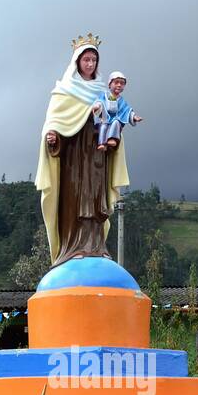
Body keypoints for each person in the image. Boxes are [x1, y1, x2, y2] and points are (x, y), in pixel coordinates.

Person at [36, 34, 132, 265]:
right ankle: (72, 247)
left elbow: (115, 116)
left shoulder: (103, 90)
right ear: (77, 61)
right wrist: (52, 137)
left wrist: (115, 133)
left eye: (93, 60)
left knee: (95, 200)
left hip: (96, 156)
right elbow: (54, 122)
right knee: (74, 200)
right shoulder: (64, 91)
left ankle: (96, 247)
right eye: (86, 60)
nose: (90, 64)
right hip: (73, 160)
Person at [92, 71, 141, 150]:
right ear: (110, 84)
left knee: (116, 122)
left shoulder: (121, 101)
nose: (119, 85)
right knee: (103, 126)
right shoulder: (105, 95)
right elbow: (100, 101)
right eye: (116, 82)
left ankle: (112, 138)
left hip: (115, 119)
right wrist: (97, 106)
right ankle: (102, 143)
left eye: (122, 83)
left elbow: (127, 110)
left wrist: (134, 117)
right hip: (105, 118)